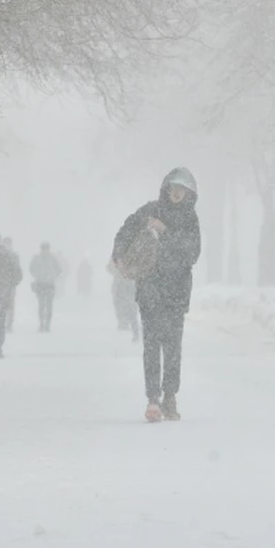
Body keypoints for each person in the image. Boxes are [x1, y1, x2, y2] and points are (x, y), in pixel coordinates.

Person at [113, 167, 200, 422]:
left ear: (189, 194)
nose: (177, 194)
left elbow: (192, 253)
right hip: (150, 290)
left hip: (176, 294)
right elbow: (125, 232)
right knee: (151, 346)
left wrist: (165, 233)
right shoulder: (149, 211)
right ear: (166, 189)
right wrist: (119, 256)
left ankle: (170, 397)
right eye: (173, 188)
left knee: (172, 348)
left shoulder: (190, 219)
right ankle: (153, 399)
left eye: (181, 190)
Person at [30, 241, 62, 332]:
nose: (45, 250)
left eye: (46, 248)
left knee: (48, 305)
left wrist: (52, 276)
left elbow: (59, 269)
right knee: (41, 305)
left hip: (49, 284)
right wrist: (37, 276)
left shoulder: (53, 258)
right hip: (40, 284)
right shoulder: (36, 258)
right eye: (43, 248)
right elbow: (31, 269)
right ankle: (41, 323)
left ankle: (47, 324)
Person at [108, 259, 140, 342]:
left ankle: (133, 329)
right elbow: (109, 268)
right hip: (120, 289)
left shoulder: (133, 257)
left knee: (132, 309)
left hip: (130, 289)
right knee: (120, 307)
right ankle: (123, 322)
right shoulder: (117, 259)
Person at [3, 237, 19, 333]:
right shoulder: (14, 255)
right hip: (10, 284)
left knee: (3, 304)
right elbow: (18, 272)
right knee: (10, 305)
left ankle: (5, 323)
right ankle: (8, 324)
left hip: (3, 284)